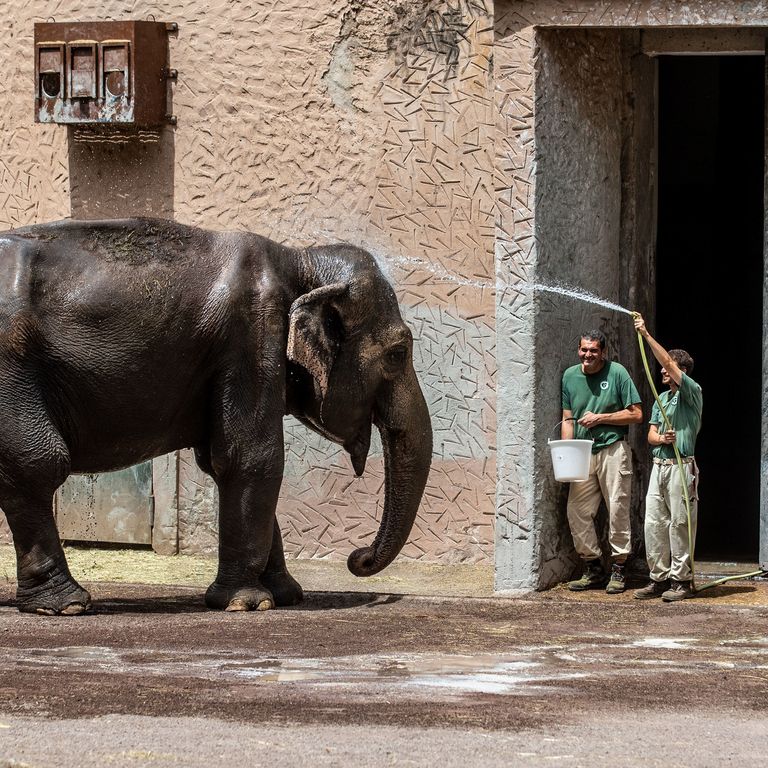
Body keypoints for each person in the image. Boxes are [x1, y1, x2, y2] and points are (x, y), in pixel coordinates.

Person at [561, 330, 643, 593]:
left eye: (594, 350)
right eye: (584, 350)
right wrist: (566, 451)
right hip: (582, 451)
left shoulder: (617, 372)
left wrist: (600, 418)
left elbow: (637, 414)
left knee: (617, 509)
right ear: (578, 349)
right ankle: (593, 567)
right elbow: (567, 418)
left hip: (613, 448)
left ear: (603, 352)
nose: (588, 355)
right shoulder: (570, 376)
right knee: (577, 511)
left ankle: (619, 568)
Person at [632, 314, 702, 602]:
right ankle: (658, 578)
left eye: (666, 367)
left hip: (680, 468)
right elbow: (650, 435)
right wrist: (662, 439)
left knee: (680, 522)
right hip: (658, 467)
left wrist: (647, 335)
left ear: (680, 370)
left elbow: (669, 363)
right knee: (654, 523)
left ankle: (681, 580)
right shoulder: (662, 401)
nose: (661, 371)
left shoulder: (692, 393)